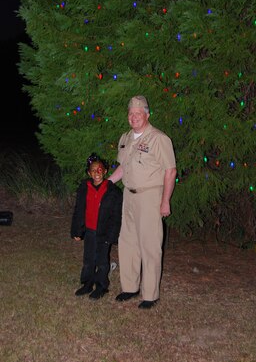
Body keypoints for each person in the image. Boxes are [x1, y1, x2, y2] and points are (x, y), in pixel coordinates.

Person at [108, 95, 177, 309]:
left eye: (138, 113)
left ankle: (150, 294)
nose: (134, 117)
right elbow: (123, 168)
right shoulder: (126, 138)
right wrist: (106, 184)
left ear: (147, 114)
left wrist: (165, 201)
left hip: (149, 196)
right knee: (127, 241)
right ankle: (130, 287)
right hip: (128, 194)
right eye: (131, 113)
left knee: (150, 245)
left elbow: (170, 171)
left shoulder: (159, 139)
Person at [71, 153, 123, 300]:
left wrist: (112, 236)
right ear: (89, 173)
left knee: (101, 261)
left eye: (100, 170)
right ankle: (87, 283)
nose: (97, 173)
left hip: (104, 232)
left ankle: (101, 286)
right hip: (89, 231)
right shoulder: (84, 188)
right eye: (93, 170)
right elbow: (79, 210)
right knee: (88, 260)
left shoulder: (113, 192)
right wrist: (77, 230)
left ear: (105, 171)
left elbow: (116, 217)